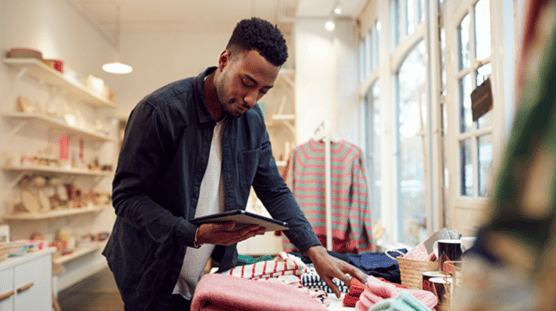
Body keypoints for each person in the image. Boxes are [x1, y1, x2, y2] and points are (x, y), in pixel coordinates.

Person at [103, 17, 367, 311]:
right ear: (224, 60)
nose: (252, 99)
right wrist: (195, 234)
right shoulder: (160, 111)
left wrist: (314, 250)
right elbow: (127, 197)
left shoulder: (252, 122)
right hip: (149, 271)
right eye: (248, 82)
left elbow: (274, 190)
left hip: (211, 272)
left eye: (264, 90)